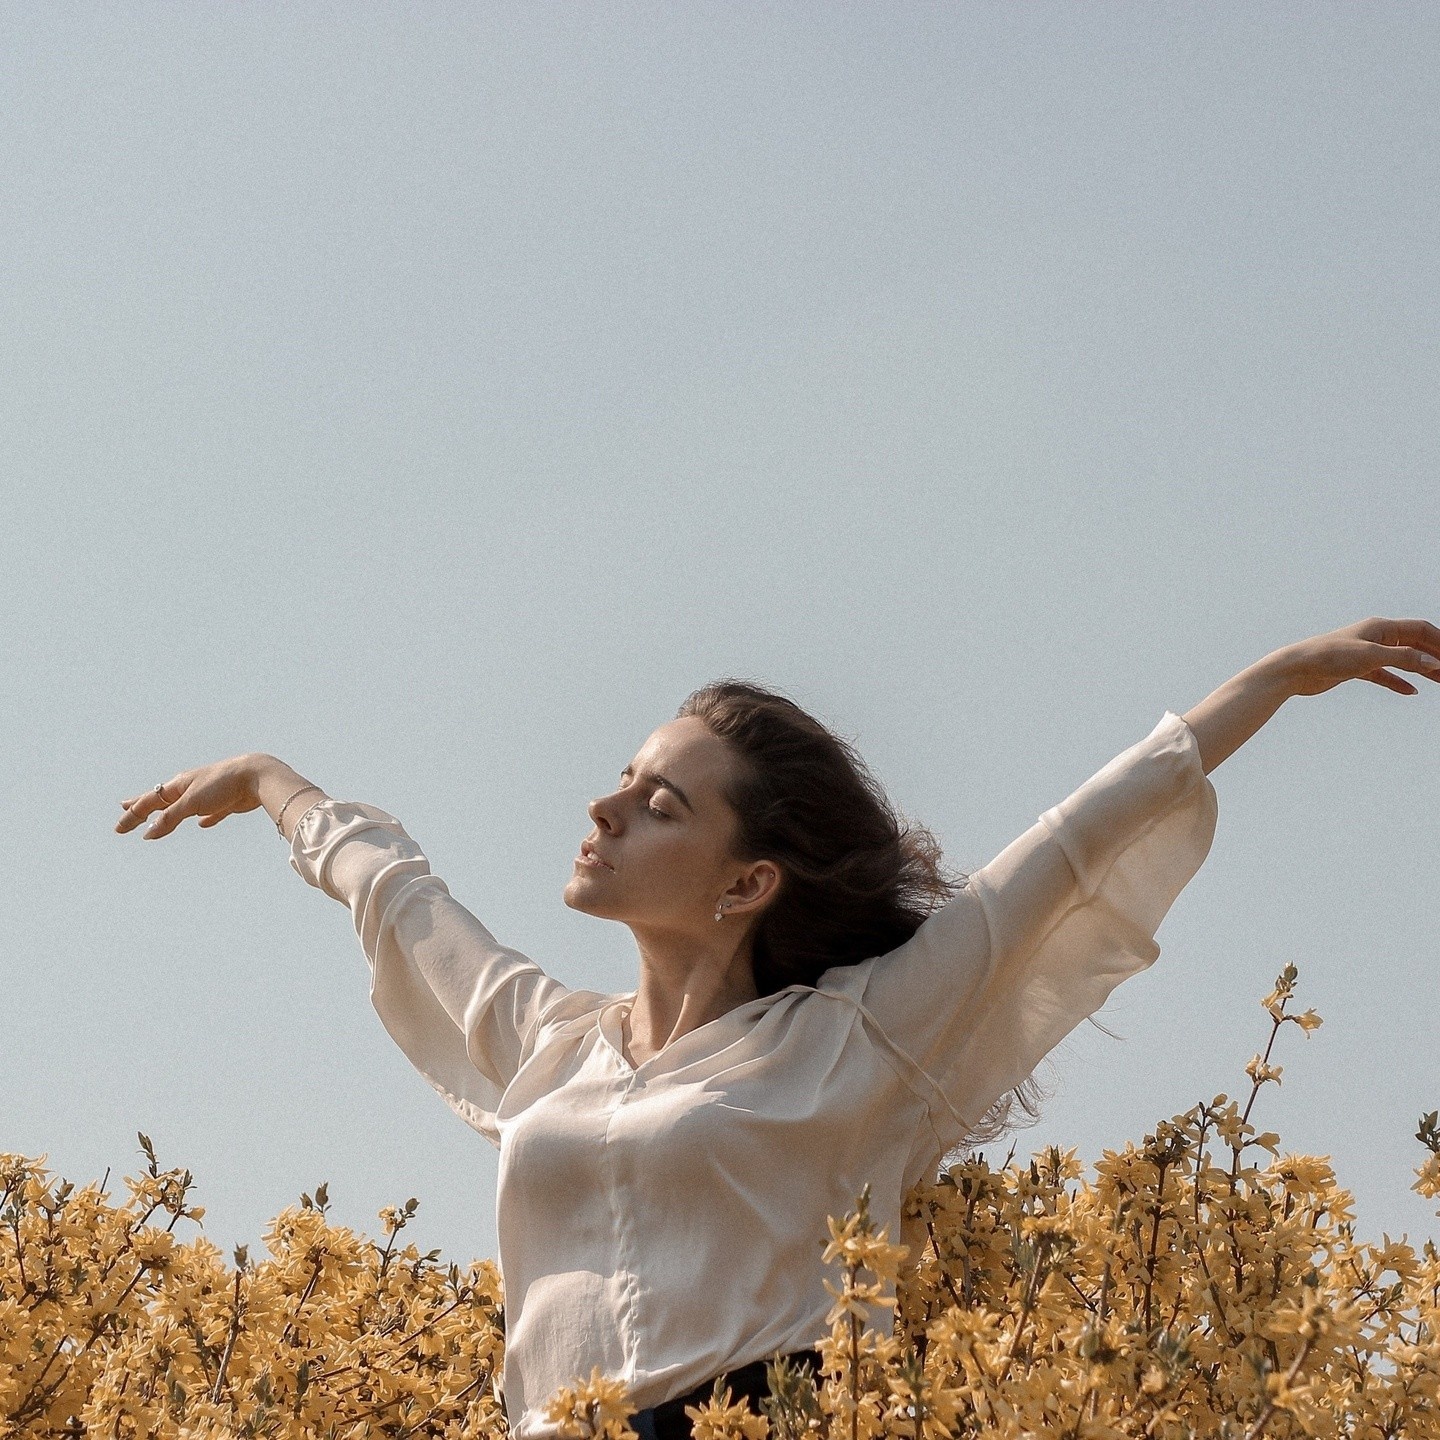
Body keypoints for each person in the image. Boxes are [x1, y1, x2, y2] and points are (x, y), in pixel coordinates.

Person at [115, 617, 1439, 1439]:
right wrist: (272, 781)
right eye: (625, 780)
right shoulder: (550, 1044)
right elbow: (401, 898)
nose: (605, 808)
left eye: (661, 805)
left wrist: (1270, 683)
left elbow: (1061, 856)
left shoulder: (854, 1036)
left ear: (748, 883)